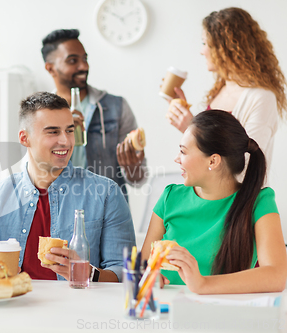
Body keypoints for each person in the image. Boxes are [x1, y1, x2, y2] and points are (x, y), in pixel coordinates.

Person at [0, 92, 136, 282]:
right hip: (11, 308)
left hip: (79, 310)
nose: (65, 141)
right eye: (53, 132)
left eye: (69, 130)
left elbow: (126, 273)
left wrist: (86, 273)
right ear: (24, 138)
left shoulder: (106, 193)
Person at [141, 110, 287, 294]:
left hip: (223, 315)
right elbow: (143, 265)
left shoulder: (259, 202)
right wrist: (150, 276)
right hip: (163, 312)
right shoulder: (170, 197)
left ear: (213, 161)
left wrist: (202, 284)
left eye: (183, 151)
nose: (177, 159)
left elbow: (276, 276)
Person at [166, 7, 286, 174]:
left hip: (239, 200)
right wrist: (189, 122)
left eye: (205, 43)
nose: (202, 51)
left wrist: (193, 129)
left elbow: (247, 164)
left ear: (225, 47)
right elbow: (211, 153)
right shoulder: (221, 89)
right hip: (210, 196)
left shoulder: (262, 97)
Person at [42, 29, 147, 200]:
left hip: (108, 215)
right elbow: (34, 175)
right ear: (50, 68)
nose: (83, 66)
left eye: (85, 59)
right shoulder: (41, 115)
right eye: (72, 60)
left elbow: (138, 180)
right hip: (58, 211)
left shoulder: (117, 106)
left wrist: (132, 168)